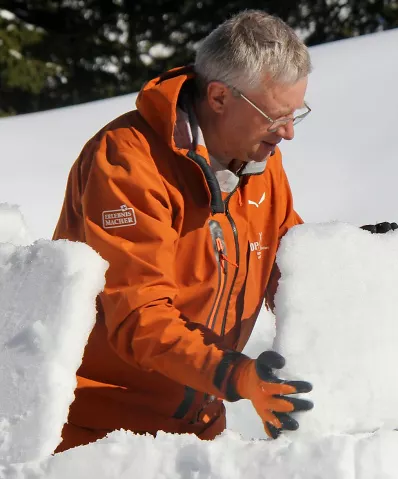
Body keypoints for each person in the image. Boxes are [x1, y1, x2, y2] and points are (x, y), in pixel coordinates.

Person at [51, 10, 322, 453]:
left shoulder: (260, 164)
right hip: (102, 437)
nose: (288, 133)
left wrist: (364, 262)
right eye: (276, 116)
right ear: (218, 97)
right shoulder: (128, 162)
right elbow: (139, 316)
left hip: (198, 432)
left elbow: (288, 266)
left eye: (297, 113)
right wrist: (234, 374)